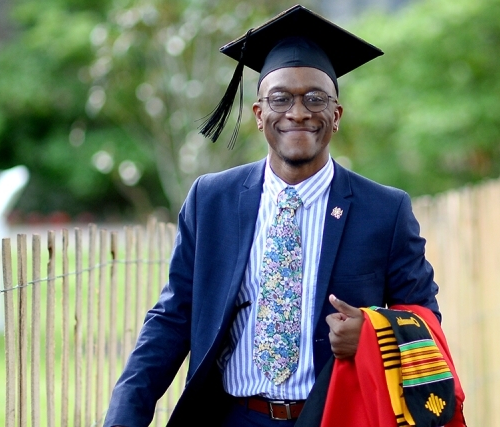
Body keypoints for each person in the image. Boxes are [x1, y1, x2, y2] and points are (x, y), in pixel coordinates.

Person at [104, 5, 442, 427]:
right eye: (280, 99)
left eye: (315, 98)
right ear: (259, 114)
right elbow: (173, 319)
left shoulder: (384, 211)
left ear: (336, 116)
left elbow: (426, 321)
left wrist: (375, 335)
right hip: (233, 416)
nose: (298, 112)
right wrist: (124, 416)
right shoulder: (212, 201)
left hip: (335, 416)